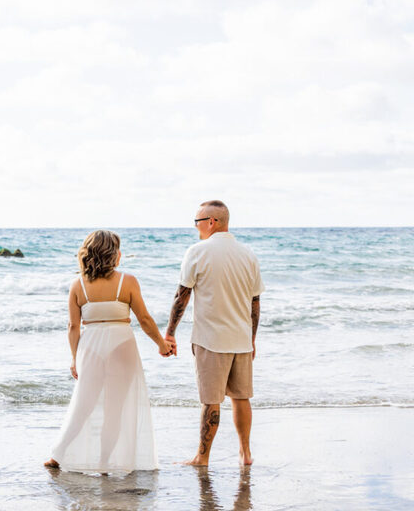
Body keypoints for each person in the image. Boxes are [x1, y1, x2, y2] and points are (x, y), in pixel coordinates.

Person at [44, 230, 176, 474]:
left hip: (90, 345)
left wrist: (75, 358)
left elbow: (73, 327)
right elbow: (144, 319)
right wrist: (161, 343)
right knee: (115, 408)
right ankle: (104, 463)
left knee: (83, 404)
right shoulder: (128, 281)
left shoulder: (78, 285)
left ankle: (57, 455)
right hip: (121, 344)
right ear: (114, 254)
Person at [165, 200, 264, 466]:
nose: (195, 227)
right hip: (241, 340)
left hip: (210, 340)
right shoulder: (248, 254)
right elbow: (255, 303)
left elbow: (181, 296)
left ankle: (202, 457)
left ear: (212, 222)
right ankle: (245, 454)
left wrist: (170, 333)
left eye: (197, 222)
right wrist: (252, 339)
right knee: (241, 398)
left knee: (211, 401)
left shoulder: (197, 252)